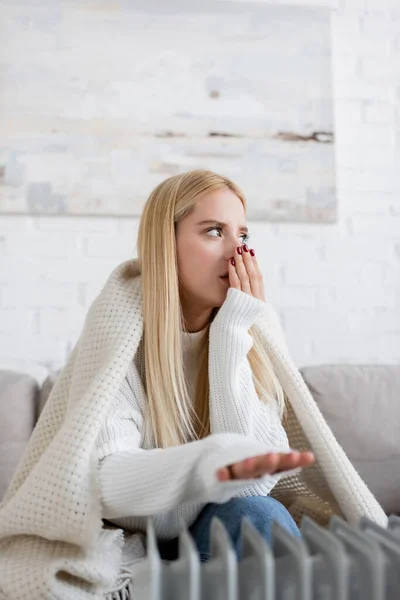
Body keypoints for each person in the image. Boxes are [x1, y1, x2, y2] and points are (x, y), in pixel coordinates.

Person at [0, 170, 387, 600]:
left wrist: (232, 334)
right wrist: (210, 464)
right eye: (214, 232)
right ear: (167, 244)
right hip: (126, 540)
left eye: (242, 233)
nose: (236, 251)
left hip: (215, 531)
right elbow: (106, 487)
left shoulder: (251, 327)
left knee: (258, 512)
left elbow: (255, 484)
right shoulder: (118, 325)